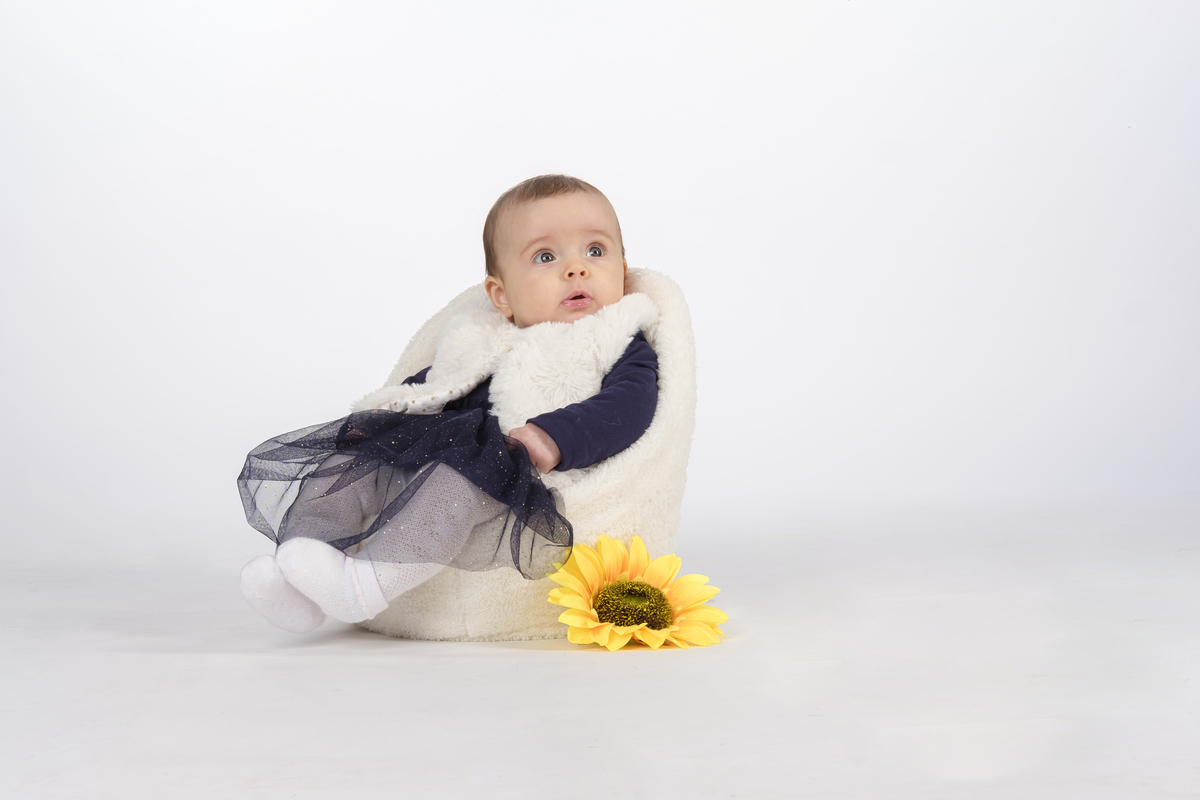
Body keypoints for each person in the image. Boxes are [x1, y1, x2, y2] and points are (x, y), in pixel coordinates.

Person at [237, 175, 660, 633]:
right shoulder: (484, 333)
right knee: (348, 470)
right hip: (444, 441)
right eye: (545, 256)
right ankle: (296, 572)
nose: (576, 269)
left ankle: (364, 587)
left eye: (595, 251)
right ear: (502, 296)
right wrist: (390, 416)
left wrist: (553, 436)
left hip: (513, 464)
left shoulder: (616, 338)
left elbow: (629, 406)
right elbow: (444, 382)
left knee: (449, 489)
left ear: (623, 268)